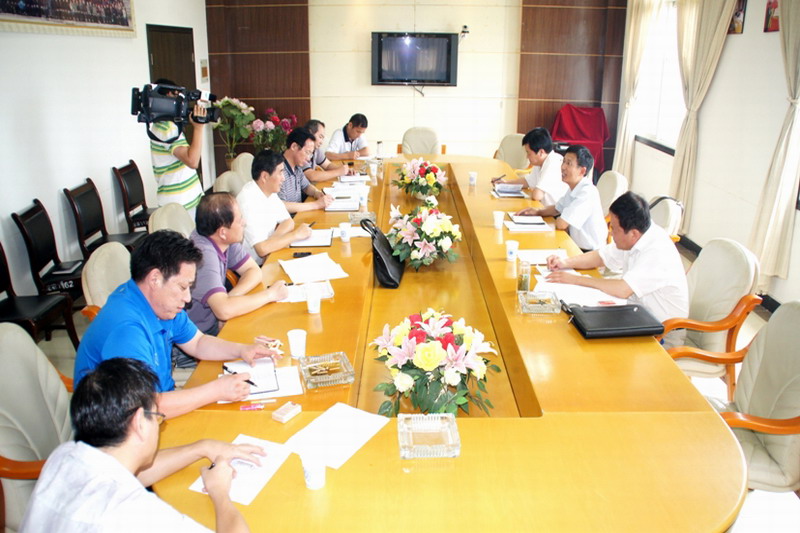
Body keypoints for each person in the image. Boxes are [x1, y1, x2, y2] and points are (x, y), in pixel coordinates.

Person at [20, 358, 262, 533]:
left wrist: (201, 447)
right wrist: (220, 492)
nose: (158, 424)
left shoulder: (65, 456)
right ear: (139, 422)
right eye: (157, 418)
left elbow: (131, 474)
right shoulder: (138, 515)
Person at [74, 230, 278, 419]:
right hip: (127, 430)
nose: (187, 298)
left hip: (162, 403)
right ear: (155, 279)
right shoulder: (127, 330)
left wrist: (242, 350)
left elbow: (198, 343)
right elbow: (145, 408)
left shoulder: (159, 303)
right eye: (182, 287)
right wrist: (217, 390)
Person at [545, 191, 689, 344]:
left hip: (663, 333)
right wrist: (565, 262)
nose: (611, 233)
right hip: (636, 316)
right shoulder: (637, 235)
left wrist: (575, 279)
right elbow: (601, 256)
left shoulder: (657, 250)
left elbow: (622, 290)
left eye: (613, 228)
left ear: (633, 234)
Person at [189, 193, 288, 334]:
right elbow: (224, 311)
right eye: (240, 219)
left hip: (217, 322)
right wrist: (270, 295)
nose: (244, 222)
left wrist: (230, 298)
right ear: (222, 232)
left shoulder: (221, 236)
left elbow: (253, 271)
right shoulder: (203, 256)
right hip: (201, 334)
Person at [515, 144, 607, 251]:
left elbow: (561, 224)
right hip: (573, 244)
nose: (563, 167)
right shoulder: (574, 187)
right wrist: (537, 212)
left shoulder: (587, 192)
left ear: (582, 171)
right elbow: (557, 208)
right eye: (564, 161)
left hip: (589, 252)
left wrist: (560, 219)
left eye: (569, 163)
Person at [238, 150, 313, 264]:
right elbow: (262, 250)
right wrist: (295, 235)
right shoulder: (248, 201)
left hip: (270, 256)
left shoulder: (268, 191)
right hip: (255, 266)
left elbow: (288, 221)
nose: (283, 178)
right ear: (264, 176)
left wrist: (272, 242)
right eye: (280, 173)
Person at [149, 78, 205, 217]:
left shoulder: (162, 125)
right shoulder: (166, 128)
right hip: (180, 205)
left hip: (185, 199)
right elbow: (192, 161)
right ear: (168, 96)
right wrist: (198, 128)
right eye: (176, 95)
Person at [492, 127, 567, 207]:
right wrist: (506, 183)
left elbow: (537, 195)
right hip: (544, 208)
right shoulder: (540, 162)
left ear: (541, 152)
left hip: (556, 212)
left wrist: (532, 191)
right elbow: (527, 182)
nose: (527, 157)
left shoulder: (553, 162)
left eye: (529, 153)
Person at [278, 128, 333, 213]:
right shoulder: (278, 170)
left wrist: (317, 193)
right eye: (307, 152)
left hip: (299, 215)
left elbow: (306, 186)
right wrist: (316, 205)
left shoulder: (297, 167)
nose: (308, 159)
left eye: (310, 154)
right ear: (294, 146)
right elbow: (281, 206)